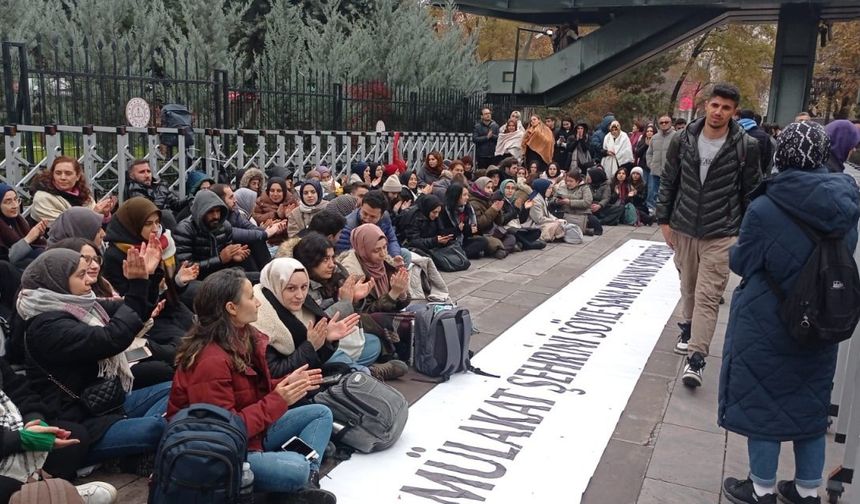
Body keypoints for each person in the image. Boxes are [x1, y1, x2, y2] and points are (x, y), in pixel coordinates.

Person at [719, 121, 860, 504]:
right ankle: (806, 491)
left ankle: (761, 488)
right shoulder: (847, 204)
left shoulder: (766, 206)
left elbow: (744, 261)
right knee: (810, 411)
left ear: (782, 153)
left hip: (769, 319)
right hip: (821, 321)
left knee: (764, 406)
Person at [168, 268, 336, 502]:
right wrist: (279, 398)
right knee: (297, 467)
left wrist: (286, 384)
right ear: (231, 308)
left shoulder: (244, 336)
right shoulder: (210, 361)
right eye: (250, 297)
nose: (257, 302)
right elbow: (222, 434)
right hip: (225, 453)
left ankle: (307, 481)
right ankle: (299, 476)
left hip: (253, 434)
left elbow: (248, 393)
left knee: (321, 414)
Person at [17, 248, 171, 469]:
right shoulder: (45, 326)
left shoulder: (79, 306)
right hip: (80, 421)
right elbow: (111, 338)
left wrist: (149, 276)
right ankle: (120, 452)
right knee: (155, 428)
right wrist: (137, 285)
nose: (90, 280)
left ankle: (132, 444)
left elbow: (134, 311)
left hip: (106, 404)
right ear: (57, 281)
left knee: (173, 389)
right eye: (81, 275)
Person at [656, 83, 761, 389]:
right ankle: (687, 328)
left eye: (726, 108)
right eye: (715, 105)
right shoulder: (683, 138)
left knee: (708, 295)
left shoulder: (746, 146)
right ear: (706, 106)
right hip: (684, 225)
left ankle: (696, 358)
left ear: (734, 112)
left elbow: (751, 192)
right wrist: (664, 220)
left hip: (722, 232)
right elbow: (669, 180)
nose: (719, 112)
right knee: (687, 286)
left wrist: (745, 232)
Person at [0, 356, 117, 503]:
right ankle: (51, 494)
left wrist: (34, 422)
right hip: (9, 441)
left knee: (75, 438)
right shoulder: (42, 333)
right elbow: (103, 341)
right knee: (9, 487)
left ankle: (42, 492)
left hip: (13, 431)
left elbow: (22, 394)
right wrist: (21, 439)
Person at [102, 197, 198, 363]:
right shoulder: (117, 255)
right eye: (148, 224)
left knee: (207, 334)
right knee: (189, 347)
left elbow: (166, 292)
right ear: (132, 224)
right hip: (148, 319)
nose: (155, 229)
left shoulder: (162, 245)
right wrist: (149, 276)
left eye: (157, 222)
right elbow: (133, 301)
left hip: (169, 307)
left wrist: (178, 282)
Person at [174, 190, 250, 280]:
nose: (216, 216)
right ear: (200, 211)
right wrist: (220, 259)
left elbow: (225, 257)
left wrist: (233, 257)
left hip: (221, 276)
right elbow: (186, 268)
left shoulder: (225, 226)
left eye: (218, 211)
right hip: (198, 281)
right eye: (211, 212)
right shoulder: (185, 230)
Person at [212, 183, 285, 267]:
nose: (235, 200)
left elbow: (250, 227)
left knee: (256, 240)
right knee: (249, 243)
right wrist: (267, 233)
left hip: (237, 256)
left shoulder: (234, 212)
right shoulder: (216, 221)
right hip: (222, 262)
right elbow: (238, 234)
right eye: (231, 197)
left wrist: (272, 229)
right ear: (220, 201)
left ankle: (266, 270)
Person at [29, 156, 114, 225]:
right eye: (58, 173)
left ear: (77, 176)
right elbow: (62, 228)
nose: (63, 178)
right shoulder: (43, 198)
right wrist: (94, 214)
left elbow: (98, 226)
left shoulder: (84, 196)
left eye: (68, 173)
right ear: (52, 175)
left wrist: (105, 215)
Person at [335, 191, 408, 266]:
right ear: (360, 207)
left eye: (372, 217)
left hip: (380, 254)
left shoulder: (385, 219)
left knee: (405, 254)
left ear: (381, 215)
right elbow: (344, 256)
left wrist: (395, 255)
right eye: (365, 213)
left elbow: (392, 240)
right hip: (359, 262)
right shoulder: (348, 226)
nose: (367, 219)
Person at [124, 159, 188, 226]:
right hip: (150, 224)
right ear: (132, 176)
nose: (147, 175)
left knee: (192, 205)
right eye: (142, 172)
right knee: (165, 214)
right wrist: (162, 192)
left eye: (148, 171)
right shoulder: (134, 188)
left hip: (170, 220)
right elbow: (151, 210)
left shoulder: (157, 185)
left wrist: (189, 199)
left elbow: (176, 205)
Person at [0, 185, 46, 271]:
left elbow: (33, 245)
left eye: (16, 200)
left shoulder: (18, 220)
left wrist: (38, 235)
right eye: (8, 201)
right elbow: (6, 260)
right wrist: (28, 239)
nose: (15, 205)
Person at [440, 184, 489, 259]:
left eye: (467, 195)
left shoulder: (467, 208)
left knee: (483, 241)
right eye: (464, 195)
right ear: (456, 196)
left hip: (463, 240)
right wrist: (458, 229)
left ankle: (461, 254)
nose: (467, 197)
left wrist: (470, 229)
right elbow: (442, 233)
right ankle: (459, 255)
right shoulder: (444, 211)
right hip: (450, 242)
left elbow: (470, 229)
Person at [468, 177, 512, 257]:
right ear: (480, 187)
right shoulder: (474, 203)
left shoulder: (489, 199)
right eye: (488, 187)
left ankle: (503, 250)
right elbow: (479, 224)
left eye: (492, 188)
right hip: (481, 234)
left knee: (511, 236)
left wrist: (498, 211)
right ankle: (502, 250)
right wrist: (493, 210)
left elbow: (500, 222)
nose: (491, 190)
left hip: (492, 231)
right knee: (493, 242)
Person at [496, 180, 545, 249]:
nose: (510, 191)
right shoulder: (498, 200)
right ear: (502, 188)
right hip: (505, 229)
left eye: (512, 188)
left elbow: (521, 220)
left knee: (537, 232)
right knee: (514, 232)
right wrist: (515, 209)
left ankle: (521, 243)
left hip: (517, 227)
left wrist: (526, 208)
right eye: (507, 188)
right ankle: (529, 245)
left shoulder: (513, 200)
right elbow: (502, 221)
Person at [554, 171, 601, 236]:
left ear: (577, 181)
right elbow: (553, 199)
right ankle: (584, 230)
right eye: (567, 181)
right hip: (566, 212)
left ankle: (582, 229)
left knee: (597, 226)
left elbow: (587, 202)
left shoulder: (585, 188)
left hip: (582, 213)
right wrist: (557, 201)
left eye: (571, 181)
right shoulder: (563, 187)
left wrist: (570, 202)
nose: (568, 183)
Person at [646, 114, 677, 212]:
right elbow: (649, 153)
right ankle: (655, 212)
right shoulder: (654, 138)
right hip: (655, 171)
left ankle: (668, 213)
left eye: (666, 122)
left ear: (670, 123)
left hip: (670, 172)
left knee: (669, 193)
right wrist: (651, 165)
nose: (664, 124)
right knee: (654, 193)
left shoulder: (676, 136)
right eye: (661, 122)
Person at [738, 110, 774, 176]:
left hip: (734, 175)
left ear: (740, 117)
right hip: (755, 174)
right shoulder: (764, 136)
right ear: (753, 118)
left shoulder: (732, 131)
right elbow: (768, 157)